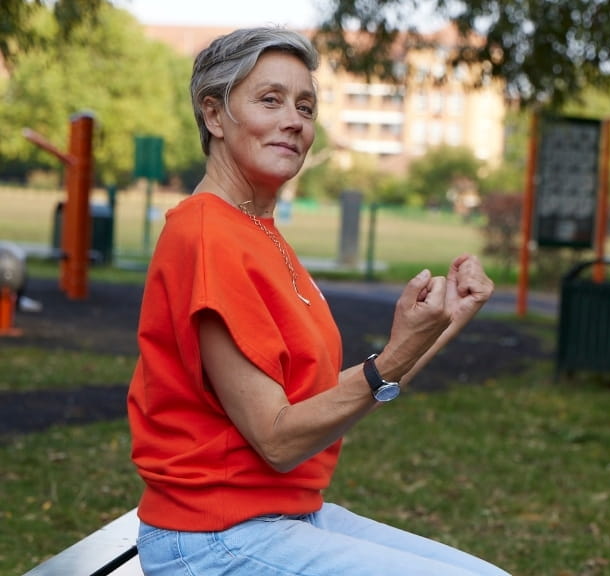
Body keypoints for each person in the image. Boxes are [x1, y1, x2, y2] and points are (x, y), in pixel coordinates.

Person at [127, 26, 509, 576]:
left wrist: (444, 323)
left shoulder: (256, 230)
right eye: (270, 100)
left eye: (305, 106)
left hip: (282, 516)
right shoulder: (205, 234)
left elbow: (325, 401)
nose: (294, 121)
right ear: (213, 115)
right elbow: (279, 439)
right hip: (213, 537)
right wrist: (395, 356)